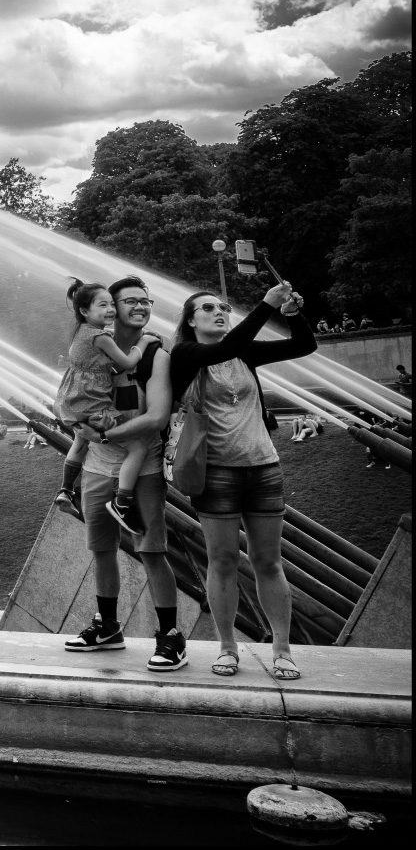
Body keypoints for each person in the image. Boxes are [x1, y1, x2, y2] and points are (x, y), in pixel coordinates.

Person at [170, 280, 314, 680]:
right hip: (215, 472)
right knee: (224, 560)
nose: (219, 311)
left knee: (269, 561)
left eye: (222, 307)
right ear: (190, 320)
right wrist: (265, 307)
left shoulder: (244, 352)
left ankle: (282, 649)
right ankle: (228, 647)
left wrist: (291, 315)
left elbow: (304, 347)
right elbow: (224, 348)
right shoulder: (186, 354)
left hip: (264, 467)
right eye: (208, 308)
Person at [65, 276, 183, 669]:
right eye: (129, 300)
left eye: (145, 301)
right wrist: (75, 424)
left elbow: (157, 416)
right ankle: (109, 626)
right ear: (110, 306)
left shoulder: (155, 356)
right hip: (99, 469)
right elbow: (67, 396)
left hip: (142, 466)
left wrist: (103, 434)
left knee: (152, 551)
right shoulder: (94, 348)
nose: (139, 307)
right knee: (101, 551)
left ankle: (169, 635)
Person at [52, 279, 159, 531]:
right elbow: (128, 360)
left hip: (73, 401)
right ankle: (122, 502)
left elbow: (107, 367)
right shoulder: (101, 337)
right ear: (85, 311)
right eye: (103, 305)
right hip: (95, 406)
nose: (110, 309)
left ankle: (66, 489)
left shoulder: (80, 332)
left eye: (112, 304)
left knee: (80, 440)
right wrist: (144, 342)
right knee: (138, 449)